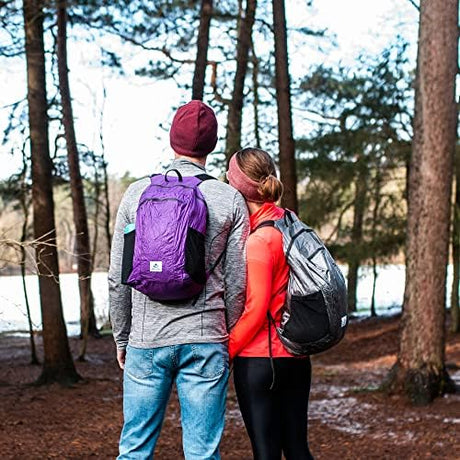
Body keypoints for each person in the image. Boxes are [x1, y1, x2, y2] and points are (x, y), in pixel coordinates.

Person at [108, 100, 250, 460]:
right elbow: (237, 283)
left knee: (134, 451)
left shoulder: (137, 193)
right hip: (205, 339)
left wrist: (122, 337)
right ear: (212, 144)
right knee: (202, 454)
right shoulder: (229, 199)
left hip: (146, 340)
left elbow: (117, 278)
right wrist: (226, 336)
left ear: (173, 140)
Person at [227, 147, 314, 460]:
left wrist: (225, 350)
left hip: (260, 361)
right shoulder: (291, 222)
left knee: (266, 454)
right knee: (298, 449)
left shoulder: (259, 241)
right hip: (297, 357)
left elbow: (256, 308)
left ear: (239, 188)